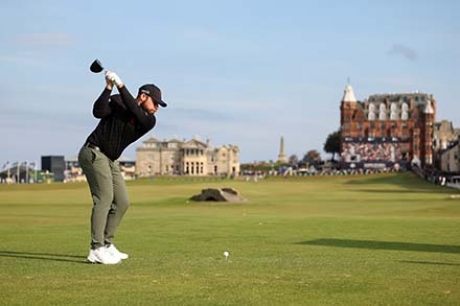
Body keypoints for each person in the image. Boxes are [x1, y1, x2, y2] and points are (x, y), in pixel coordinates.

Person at [78, 70, 167, 264]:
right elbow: (98, 112)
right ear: (143, 96)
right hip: (94, 152)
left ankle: (107, 244)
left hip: (110, 159)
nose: (157, 108)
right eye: (156, 103)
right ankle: (96, 248)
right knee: (104, 198)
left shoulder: (149, 120)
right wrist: (108, 88)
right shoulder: (118, 102)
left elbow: (134, 112)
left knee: (122, 202)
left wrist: (120, 84)